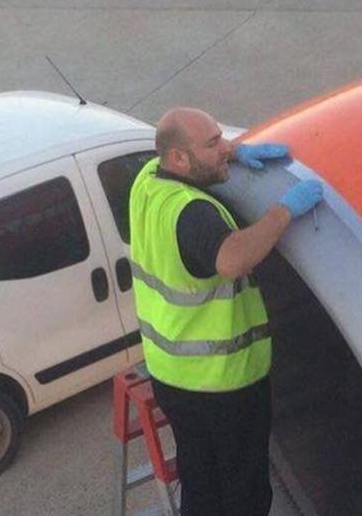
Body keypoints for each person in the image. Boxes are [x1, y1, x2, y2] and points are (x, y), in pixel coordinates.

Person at [128, 107, 323, 516]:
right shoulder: (192, 212)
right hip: (222, 384)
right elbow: (234, 259)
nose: (223, 149)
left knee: (201, 481)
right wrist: (284, 211)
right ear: (180, 158)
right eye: (212, 144)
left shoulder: (147, 182)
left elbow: (186, 153)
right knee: (244, 492)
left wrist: (234, 151)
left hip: (171, 374)